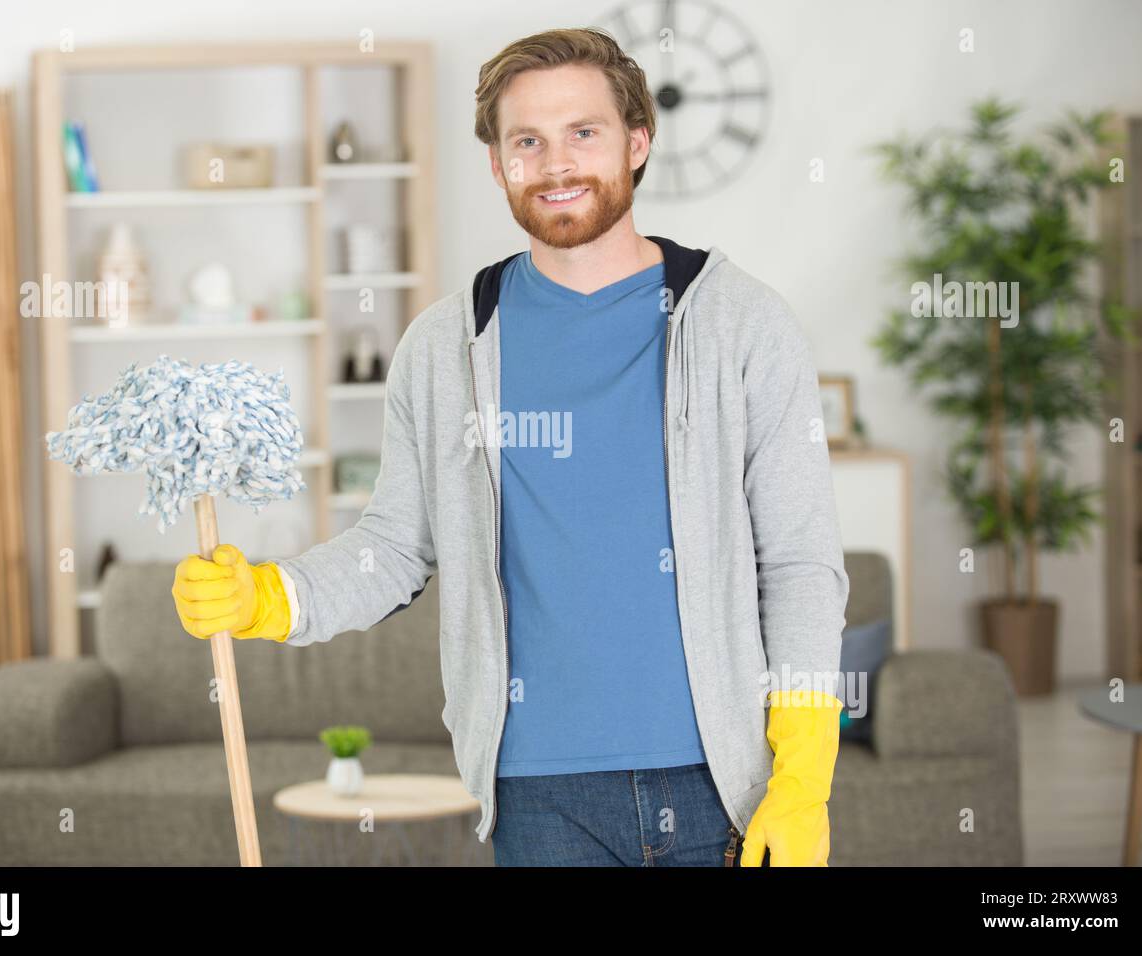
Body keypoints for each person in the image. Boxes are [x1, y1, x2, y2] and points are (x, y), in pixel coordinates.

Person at [172, 26, 849, 867]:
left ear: (638, 142)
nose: (556, 164)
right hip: (537, 795)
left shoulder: (742, 324)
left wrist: (803, 776)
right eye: (527, 141)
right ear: (497, 164)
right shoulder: (443, 348)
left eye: (584, 133)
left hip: (723, 784)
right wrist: (271, 598)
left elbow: (800, 565)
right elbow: (395, 548)